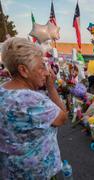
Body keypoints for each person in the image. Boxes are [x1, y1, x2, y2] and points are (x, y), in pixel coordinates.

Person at [0, 37, 68, 179]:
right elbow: (62, 118)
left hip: (10, 171)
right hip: (37, 173)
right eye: (41, 67)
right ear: (24, 70)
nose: (46, 72)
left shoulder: (2, 91)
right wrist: (51, 87)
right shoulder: (33, 100)